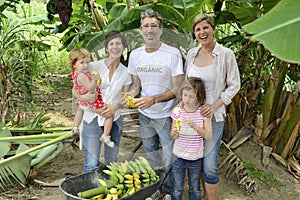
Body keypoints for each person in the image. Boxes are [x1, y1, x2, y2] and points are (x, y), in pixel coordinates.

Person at [127, 8, 184, 200]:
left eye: (153, 26)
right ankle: (155, 190)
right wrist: (126, 98)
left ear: (160, 30)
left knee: (168, 157)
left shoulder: (172, 53)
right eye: (145, 26)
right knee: (151, 154)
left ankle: (168, 192)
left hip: (167, 115)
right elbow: (136, 86)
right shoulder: (135, 55)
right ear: (141, 30)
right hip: (145, 115)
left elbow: (178, 89)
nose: (149, 30)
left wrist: (154, 99)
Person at [185, 13, 241, 200]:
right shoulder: (192, 54)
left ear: (213, 29)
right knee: (198, 161)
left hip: (213, 117)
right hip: (193, 116)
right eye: (198, 29)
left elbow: (234, 85)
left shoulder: (226, 55)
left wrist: (214, 105)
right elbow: (187, 83)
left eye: (205, 28)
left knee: (209, 164)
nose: (202, 32)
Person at [74, 30, 132, 172]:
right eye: (111, 43)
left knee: (111, 163)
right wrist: (91, 104)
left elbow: (127, 96)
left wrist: (115, 106)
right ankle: (90, 192)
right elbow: (76, 89)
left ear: (123, 47)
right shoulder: (93, 66)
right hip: (92, 118)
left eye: (118, 43)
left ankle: (108, 192)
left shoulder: (126, 72)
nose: (115, 47)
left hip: (114, 119)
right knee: (91, 163)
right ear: (107, 47)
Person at [170, 77, 212, 200]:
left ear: (199, 97)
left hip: (195, 157)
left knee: (194, 187)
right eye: (185, 95)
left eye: (191, 96)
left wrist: (194, 126)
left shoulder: (203, 113)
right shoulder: (177, 111)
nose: (187, 99)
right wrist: (174, 132)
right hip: (178, 155)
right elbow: (173, 136)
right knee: (177, 187)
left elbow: (208, 135)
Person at [69, 48, 115, 148]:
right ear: (74, 64)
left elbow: (76, 88)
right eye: (82, 63)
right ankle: (105, 136)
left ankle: (75, 127)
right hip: (91, 103)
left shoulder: (76, 74)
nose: (86, 65)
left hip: (83, 103)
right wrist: (94, 81)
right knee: (110, 114)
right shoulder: (82, 76)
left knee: (80, 111)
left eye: (87, 62)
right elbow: (89, 87)